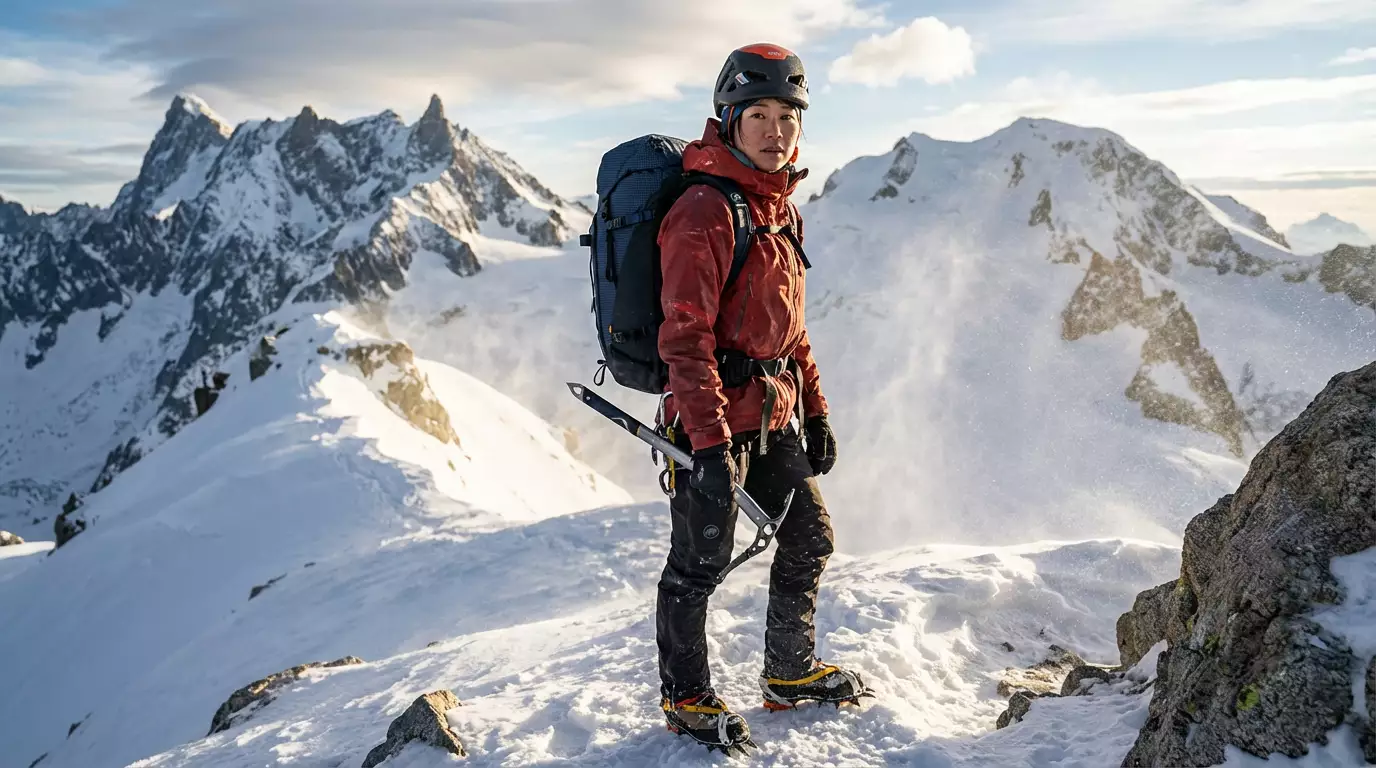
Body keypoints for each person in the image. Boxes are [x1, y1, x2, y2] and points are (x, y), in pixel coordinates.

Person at [654, 42, 868, 753]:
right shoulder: (704, 212)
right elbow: (684, 342)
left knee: (810, 537)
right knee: (699, 565)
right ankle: (685, 696)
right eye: (760, 115)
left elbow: (790, 331)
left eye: (788, 116)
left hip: (771, 418)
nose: (777, 130)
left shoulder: (780, 213)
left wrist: (817, 410)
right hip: (710, 424)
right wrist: (710, 449)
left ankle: (788, 674)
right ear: (729, 119)